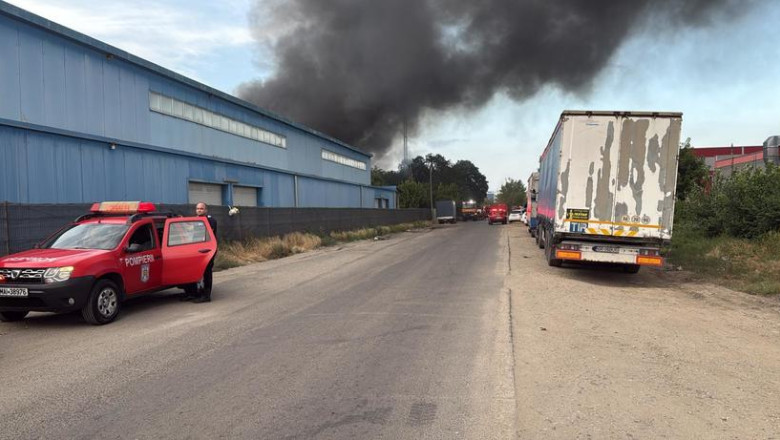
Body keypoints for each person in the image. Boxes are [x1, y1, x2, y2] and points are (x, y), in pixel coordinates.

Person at [186, 202, 217, 303]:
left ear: (206, 210)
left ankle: (206, 295)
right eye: (197, 208)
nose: (199, 210)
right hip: (196, 249)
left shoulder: (210, 220)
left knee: (206, 272)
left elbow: (208, 232)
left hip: (207, 250)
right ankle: (193, 293)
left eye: (201, 208)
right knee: (193, 271)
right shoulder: (194, 220)